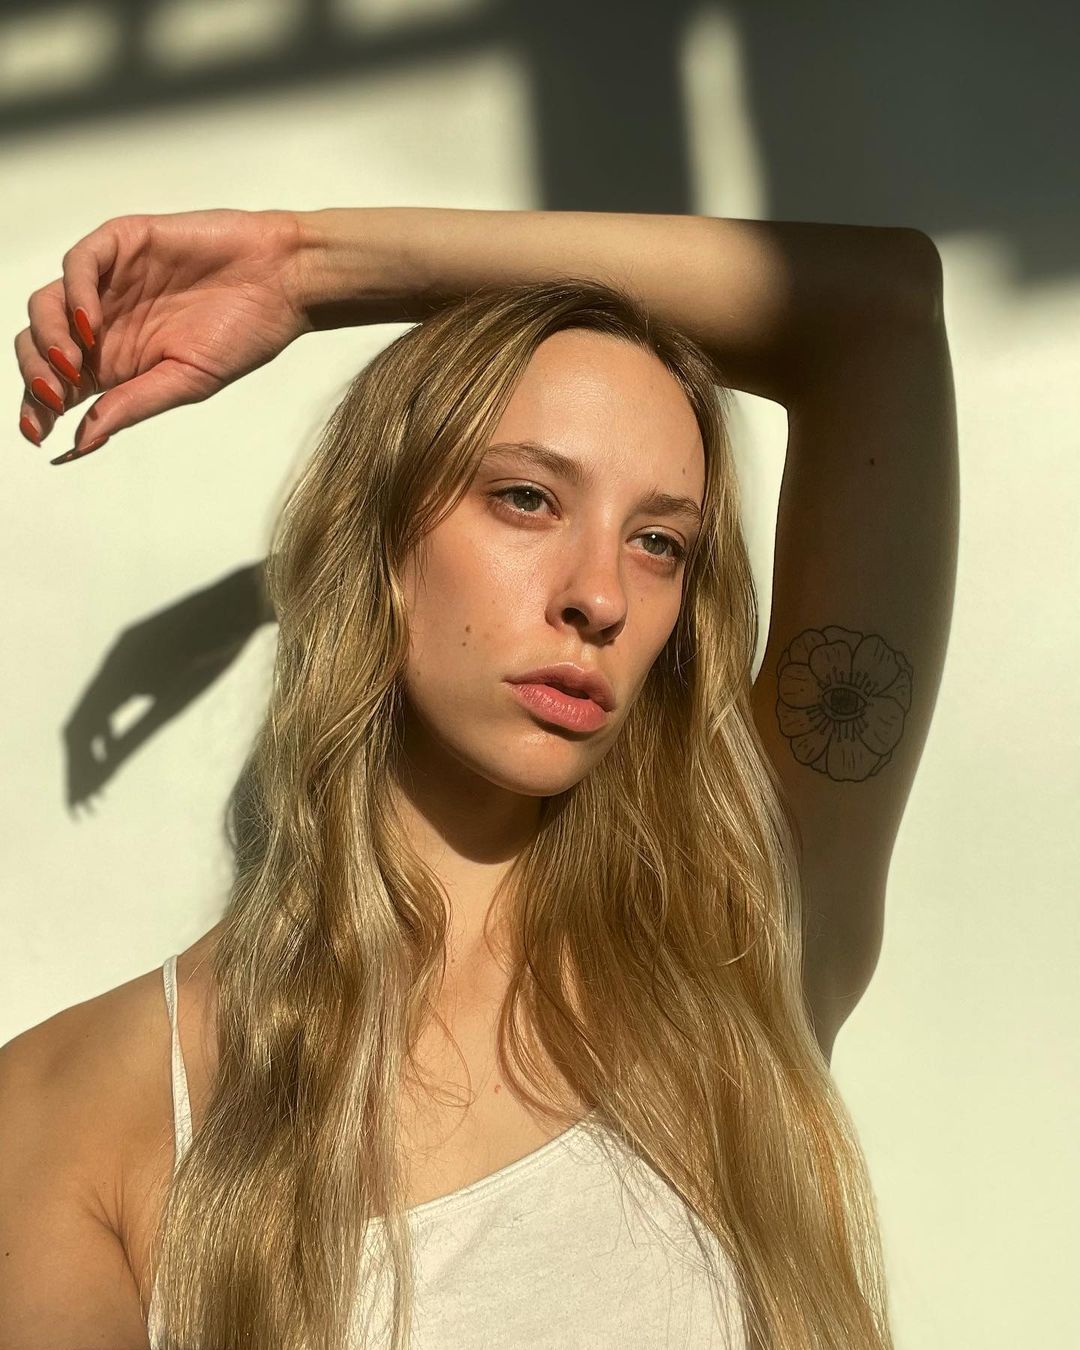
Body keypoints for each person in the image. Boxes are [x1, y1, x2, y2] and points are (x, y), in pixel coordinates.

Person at [2, 206, 957, 1349]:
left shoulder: (738, 937)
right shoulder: (82, 1105)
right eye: (527, 498)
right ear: (375, 534)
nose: (599, 595)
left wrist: (310, 267)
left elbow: (880, 310)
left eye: (659, 541)